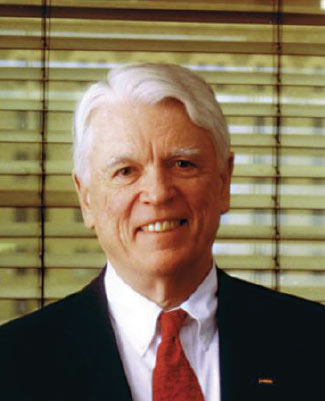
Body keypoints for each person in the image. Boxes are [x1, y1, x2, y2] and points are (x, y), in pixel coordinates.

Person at [0, 63, 324, 401]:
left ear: (224, 182)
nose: (157, 192)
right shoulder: (11, 366)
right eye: (126, 171)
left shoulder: (314, 343)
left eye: (183, 164)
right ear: (87, 199)